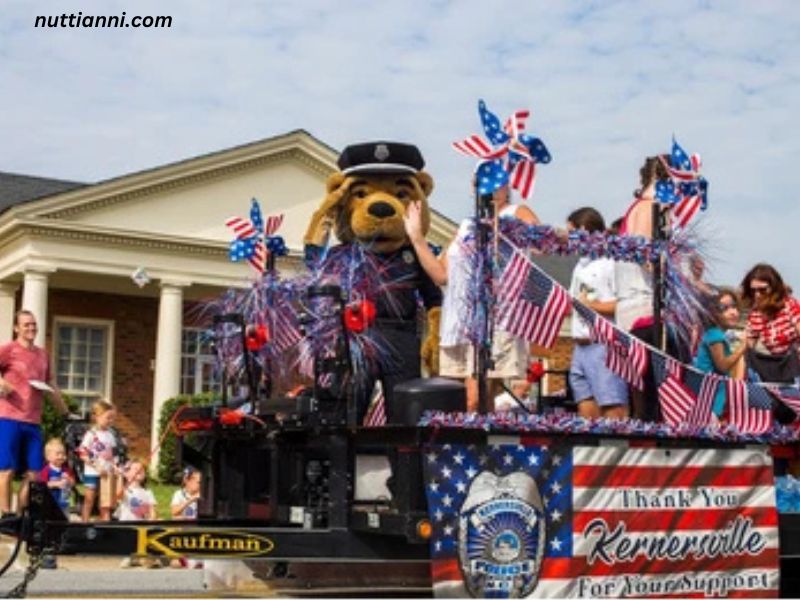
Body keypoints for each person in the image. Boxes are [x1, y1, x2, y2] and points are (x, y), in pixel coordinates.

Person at [405, 183, 539, 411]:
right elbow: (440, 274)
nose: (488, 188)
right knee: (462, 400)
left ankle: (471, 445)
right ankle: (476, 442)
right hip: (460, 323)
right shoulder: (467, 225)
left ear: (506, 188)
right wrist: (416, 237)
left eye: (495, 182)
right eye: (480, 182)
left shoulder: (516, 212)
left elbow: (537, 239)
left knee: (472, 399)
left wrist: (498, 223)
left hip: (492, 320)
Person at [0, 309, 68, 516]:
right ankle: (5, 515)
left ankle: (20, 516)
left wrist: (65, 411)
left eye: (33, 324)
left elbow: (51, 383)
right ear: (16, 328)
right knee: (7, 469)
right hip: (9, 417)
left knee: (35, 473)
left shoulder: (42, 355)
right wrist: (2, 382)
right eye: (26, 324)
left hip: (33, 420)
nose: (31, 328)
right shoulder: (8, 350)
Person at [567, 208, 629, 420]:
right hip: (579, 346)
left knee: (613, 410)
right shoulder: (578, 267)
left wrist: (592, 306)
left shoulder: (611, 263)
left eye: (571, 233)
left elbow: (624, 304)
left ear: (584, 230)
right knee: (586, 414)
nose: (569, 240)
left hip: (603, 345)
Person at [692, 288, 747, 417]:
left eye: (734, 306)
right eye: (724, 308)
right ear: (712, 314)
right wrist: (743, 347)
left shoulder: (719, 334)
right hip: (710, 396)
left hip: (715, 393)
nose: (733, 312)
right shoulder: (714, 335)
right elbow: (722, 365)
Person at [742, 263, 800, 359]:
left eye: (762, 290)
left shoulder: (790, 305)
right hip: (778, 363)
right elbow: (748, 345)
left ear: (774, 287)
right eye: (753, 291)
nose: (757, 295)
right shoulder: (755, 314)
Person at [38, 437, 76, 569]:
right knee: (50, 525)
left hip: (64, 502)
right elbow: (42, 485)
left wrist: (70, 482)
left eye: (63, 454)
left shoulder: (65, 470)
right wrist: (55, 484)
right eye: (58, 454)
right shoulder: (47, 470)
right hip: (51, 504)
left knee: (64, 523)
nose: (61, 457)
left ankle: (62, 543)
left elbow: (73, 482)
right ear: (48, 456)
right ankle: (48, 545)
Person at [78, 400, 119, 522]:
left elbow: (112, 454)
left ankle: (104, 523)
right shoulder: (91, 434)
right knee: (89, 499)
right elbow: (82, 453)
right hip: (92, 472)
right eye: (108, 418)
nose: (110, 421)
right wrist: (96, 466)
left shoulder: (110, 435)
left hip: (106, 473)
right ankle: (84, 523)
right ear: (97, 416)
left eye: (112, 418)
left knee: (104, 501)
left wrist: (114, 466)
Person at [116, 459, 160, 568]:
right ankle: (135, 556)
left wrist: (152, 521)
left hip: (142, 529)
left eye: (141, 469)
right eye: (135, 469)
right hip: (127, 528)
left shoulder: (147, 492)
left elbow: (153, 511)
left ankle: (142, 557)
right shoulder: (126, 490)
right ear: (128, 474)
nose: (139, 471)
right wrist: (120, 477)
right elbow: (118, 494)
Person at [171, 467, 202, 568]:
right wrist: (191, 500)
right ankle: (179, 556)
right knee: (177, 519)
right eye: (198, 482)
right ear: (187, 481)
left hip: (197, 529)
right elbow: (174, 512)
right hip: (185, 528)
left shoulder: (203, 496)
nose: (200, 484)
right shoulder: (179, 494)